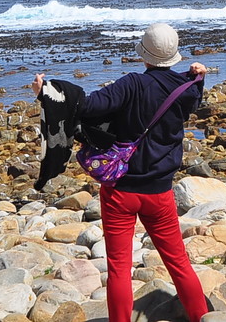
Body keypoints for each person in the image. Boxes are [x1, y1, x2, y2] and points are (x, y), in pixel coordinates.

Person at [33, 23, 209, 322]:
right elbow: (193, 100)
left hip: (121, 190)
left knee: (118, 267)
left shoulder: (131, 84)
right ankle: (202, 318)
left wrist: (46, 92)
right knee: (178, 262)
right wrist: (199, 78)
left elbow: (85, 106)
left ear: (145, 55)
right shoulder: (185, 89)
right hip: (160, 191)